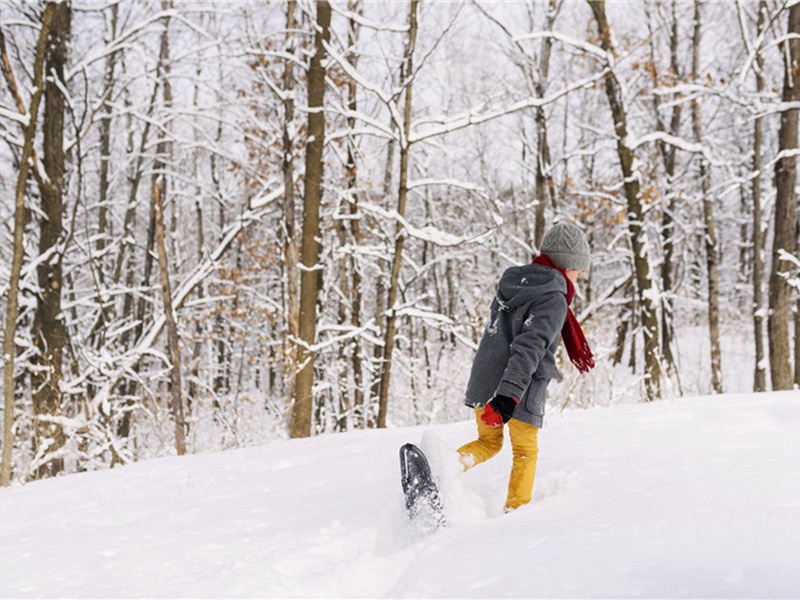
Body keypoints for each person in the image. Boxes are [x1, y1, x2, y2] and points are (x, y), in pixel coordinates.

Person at [457, 222, 595, 512]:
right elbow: (529, 348)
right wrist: (508, 397)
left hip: (485, 379)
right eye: (577, 271)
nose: (577, 279)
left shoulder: (514, 284)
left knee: (488, 443)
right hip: (519, 389)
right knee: (524, 452)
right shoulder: (553, 298)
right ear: (565, 266)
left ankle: (442, 469)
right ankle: (517, 513)